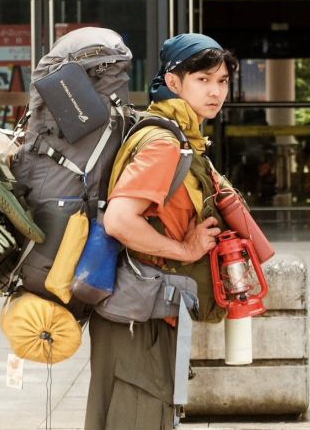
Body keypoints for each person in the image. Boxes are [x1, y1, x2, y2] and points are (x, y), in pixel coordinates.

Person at [85, 32, 238, 430]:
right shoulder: (163, 143)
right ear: (173, 83)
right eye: (202, 79)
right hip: (138, 317)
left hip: (142, 309)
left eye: (221, 80)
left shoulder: (180, 138)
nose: (215, 91)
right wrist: (185, 250)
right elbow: (120, 220)